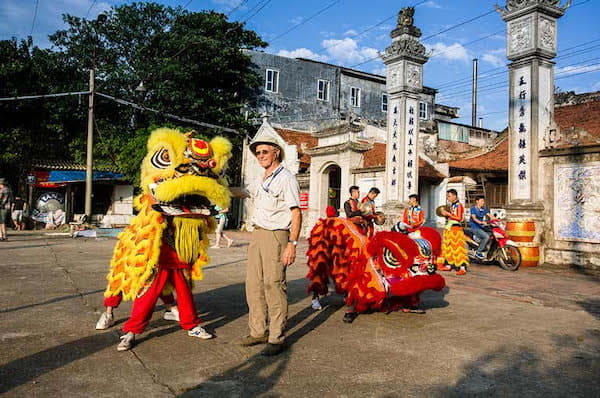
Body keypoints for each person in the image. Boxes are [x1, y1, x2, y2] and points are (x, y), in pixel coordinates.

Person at [241, 135, 302, 356]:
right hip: (257, 234)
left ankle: (276, 337)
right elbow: (244, 193)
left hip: (277, 235)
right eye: (257, 153)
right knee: (253, 285)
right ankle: (257, 331)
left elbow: (296, 212)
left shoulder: (286, 178)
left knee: (273, 285)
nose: (260, 156)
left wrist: (292, 244)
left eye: (264, 152)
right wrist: (213, 188)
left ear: (276, 152)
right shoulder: (261, 178)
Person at [440, 189, 469, 275]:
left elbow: (459, 218)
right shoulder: (452, 206)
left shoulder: (459, 205)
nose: (448, 198)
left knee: (458, 248)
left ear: (454, 196)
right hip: (449, 228)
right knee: (448, 247)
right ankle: (448, 265)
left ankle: (462, 267)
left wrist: (448, 214)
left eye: (449, 196)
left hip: (456, 229)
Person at [469, 195, 498, 260]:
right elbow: (474, 218)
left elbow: (490, 216)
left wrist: (499, 221)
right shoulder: (473, 209)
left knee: (493, 232)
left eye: (483, 201)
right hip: (475, 227)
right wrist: (481, 222)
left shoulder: (483, 209)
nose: (483, 202)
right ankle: (478, 251)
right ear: (477, 201)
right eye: (481, 201)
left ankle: (484, 245)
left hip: (482, 227)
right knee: (486, 237)